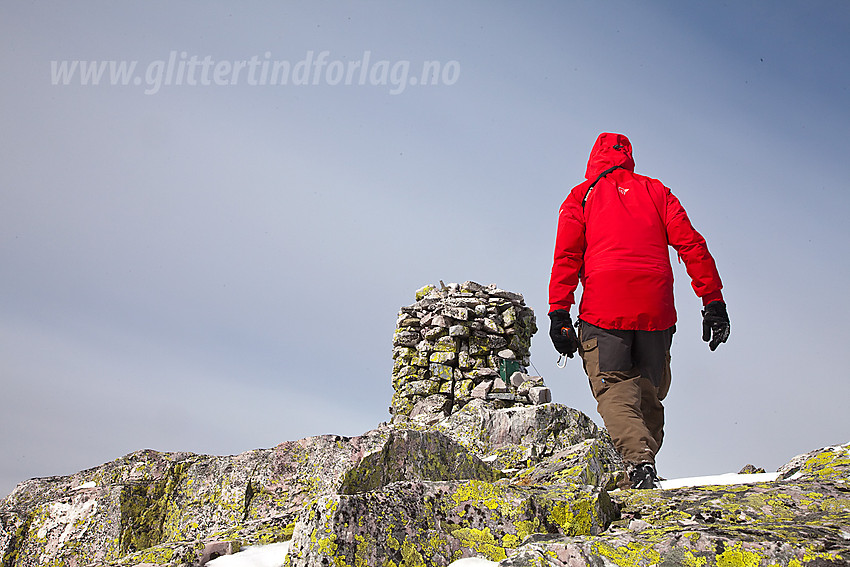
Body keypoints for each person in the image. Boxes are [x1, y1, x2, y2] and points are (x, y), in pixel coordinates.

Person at [548, 132, 730, 489]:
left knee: (614, 387)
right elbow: (692, 245)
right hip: (656, 308)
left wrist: (559, 314)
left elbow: (567, 257)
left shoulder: (581, 196)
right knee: (648, 388)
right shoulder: (657, 191)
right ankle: (643, 460)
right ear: (629, 156)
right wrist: (713, 302)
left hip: (605, 309)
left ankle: (638, 464)